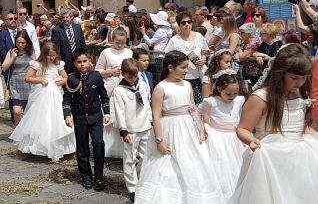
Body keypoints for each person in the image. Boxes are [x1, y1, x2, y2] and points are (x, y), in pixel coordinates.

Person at [230, 44, 318, 203]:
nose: (300, 82)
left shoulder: (300, 94)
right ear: (280, 73)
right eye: (294, 78)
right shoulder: (261, 98)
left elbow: (304, 127)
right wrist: (251, 140)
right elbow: (243, 128)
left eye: (304, 77)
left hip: (300, 156)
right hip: (272, 158)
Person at [134, 50, 224, 203]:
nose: (186, 71)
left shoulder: (187, 84)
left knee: (192, 159)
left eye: (186, 67)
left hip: (188, 127)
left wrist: (201, 128)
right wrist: (159, 140)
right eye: (183, 68)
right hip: (170, 128)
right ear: (170, 67)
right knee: (168, 162)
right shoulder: (161, 88)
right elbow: (156, 116)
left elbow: (193, 108)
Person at [9, 42, 75, 162]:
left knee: (57, 116)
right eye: (49, 55)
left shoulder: (58, 65)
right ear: (44, 54)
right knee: (41, 117)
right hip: (42, 94)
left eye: (53, 55)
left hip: (55, 94)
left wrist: (60, 82)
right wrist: (40, 80)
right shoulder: (37, 64)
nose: (51, 58)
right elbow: (28, 78)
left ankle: (61, 147)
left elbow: (65, 77)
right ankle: (38, 146)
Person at [63, 48, 110, 190]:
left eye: (85, 61)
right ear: (74, 63)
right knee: (82, 149)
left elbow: (104, 96)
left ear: (89, 61)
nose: (82, 64)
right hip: (80, 118)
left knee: (99, 144)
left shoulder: (96, 77)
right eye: (79, 62)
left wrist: (106, 112)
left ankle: (99, 177)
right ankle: (86, 177)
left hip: (96, 117)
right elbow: (66, 99)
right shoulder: (71, 79)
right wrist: (67, 115)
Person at [199, 69, 247, 201]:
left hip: (235, 137)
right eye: (228, 93)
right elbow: (199, 113)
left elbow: (240, 115)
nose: (232, 96)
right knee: (221, 165)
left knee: (238, 164)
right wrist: (203, 127)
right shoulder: (211, 101)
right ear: (219, 89)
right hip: (218, 137)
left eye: (235, 93)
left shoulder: (240, 100)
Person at [113, 58, 152, 203]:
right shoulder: (120, 90)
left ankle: (141, 181)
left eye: (135, 75)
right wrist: (123, 131)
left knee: (144, 156)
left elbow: (147, 104)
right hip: (131, 129)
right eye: (129, 75)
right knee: (130, 158)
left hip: (145, 126)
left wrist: (151, 120)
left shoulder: (142, 85)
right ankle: (133, 188)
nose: (132, 78)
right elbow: (119, 111)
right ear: (123, 74)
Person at [95, 27, 133, 158]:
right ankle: (108, 149)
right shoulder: (106, 52)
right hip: (110, 86)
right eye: (117, 42)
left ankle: (124, 148)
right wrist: (110, 72)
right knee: (110, 115)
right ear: (112, 40)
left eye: (123, 42)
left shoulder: (129, 52)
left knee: (124, 114)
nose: (120, 45)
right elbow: (97, 70)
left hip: (125, 86)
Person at [164, 11, 209, 104]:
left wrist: (203, 59)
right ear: (179, 25)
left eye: (189, 22)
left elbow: (205, 51)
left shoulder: (199, 36)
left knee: (198, 105)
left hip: (198, 77)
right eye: (183, 23)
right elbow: (167, 58)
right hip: (182, 78)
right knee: (184, 104)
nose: (187, 24)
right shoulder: (174, 40)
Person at [1, 30, 34, 128]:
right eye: (18, 42)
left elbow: (36, 66)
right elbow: (4, 67)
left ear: (27, 42)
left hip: (28, 82)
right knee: (17, 111)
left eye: (23, 43)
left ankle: (23, 130)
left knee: (28, 110)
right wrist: (12, 58)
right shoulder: (12, 52)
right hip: (15, 82)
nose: (20, 44)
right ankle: (19, 127)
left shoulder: (31, 52)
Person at [52, 8, 87, 73]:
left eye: (66, 17)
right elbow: (56, 47)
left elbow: (82, 44)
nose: (65, 19)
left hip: (78, 60)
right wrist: (57, 60)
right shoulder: (56, 30)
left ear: (71, 17)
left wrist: (86, 58)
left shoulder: (78, 27)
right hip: (65, 61)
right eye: (63, 17)